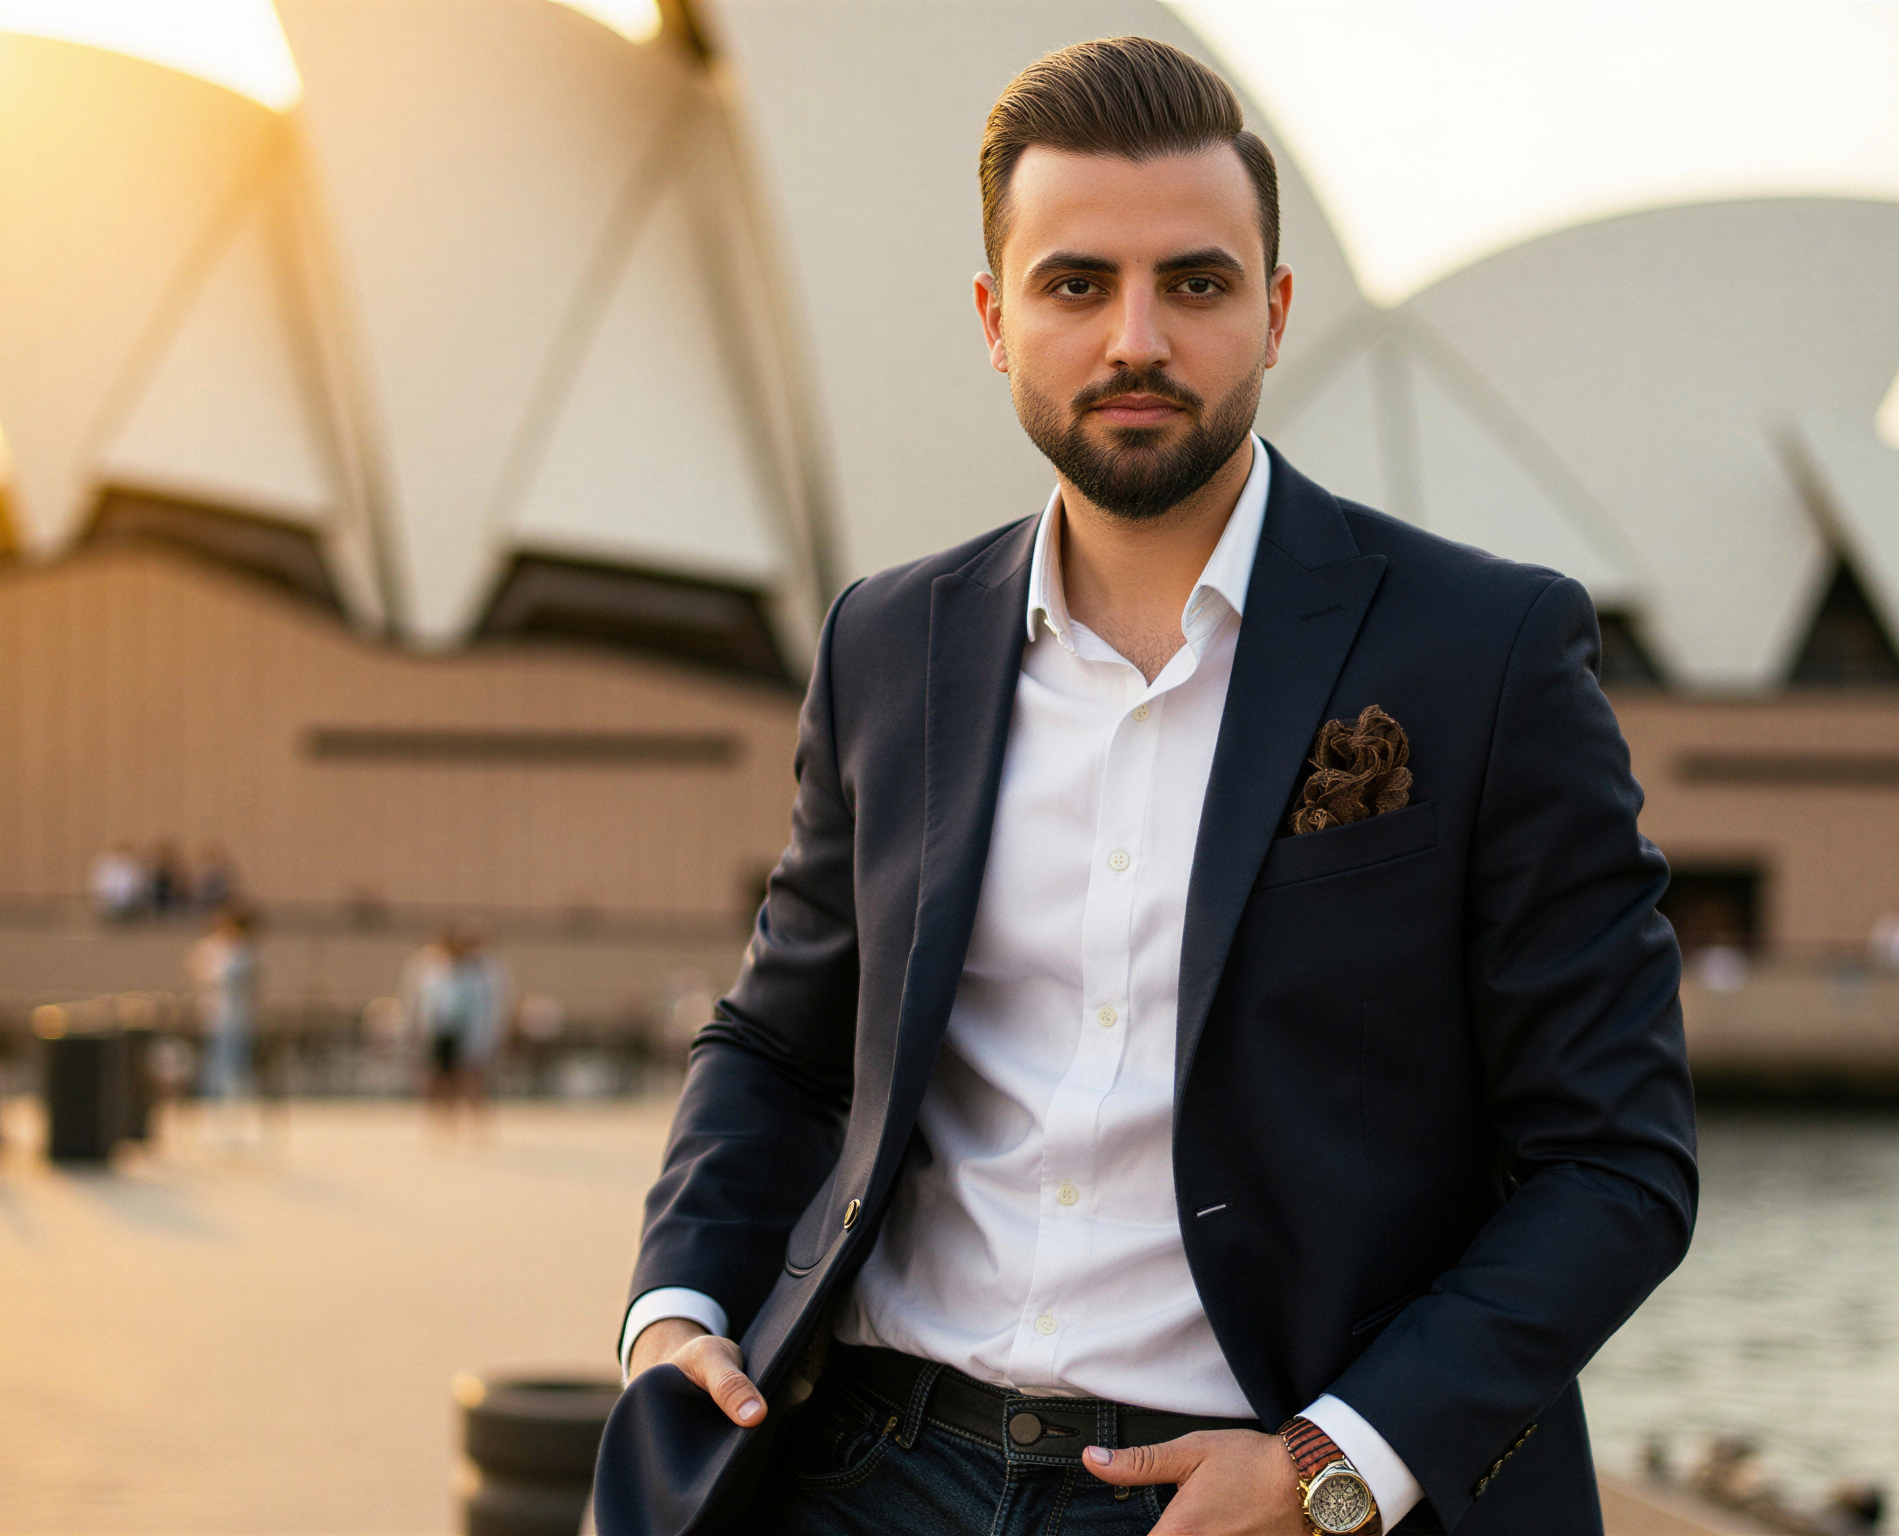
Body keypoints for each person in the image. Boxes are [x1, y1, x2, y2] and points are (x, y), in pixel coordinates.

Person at [596, 38, 1695, 1536]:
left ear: (1275, 311)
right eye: (1073, 285)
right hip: (867, 1465)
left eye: (1194, 283)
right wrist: (676, 1304)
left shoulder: (1484, 651)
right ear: (994, 320)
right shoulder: (887, 642)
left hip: (1243, 1490)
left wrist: (1328, 1470)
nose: (1137, 338)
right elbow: (783, 1043)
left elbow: (1615, 1162)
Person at [402, 924, 509, 1132]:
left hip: (469, 1032)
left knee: (471, 1077)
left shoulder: (479, 972)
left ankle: (477, 1122)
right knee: (439, 1077)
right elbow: (425, 1003)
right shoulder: (433, 968)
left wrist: (487, 1035)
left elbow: (487, 1007)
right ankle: (442, 1122)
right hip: (442, 1031)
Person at [188, 903, 259, 1118]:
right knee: (214, 1061)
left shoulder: (246, 951)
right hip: (215, 1013)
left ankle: (233, 1105)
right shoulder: (210, 948)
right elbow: (202, 975)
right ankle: (210, 1105)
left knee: (236, 1063)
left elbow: (252, 983)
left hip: (239, 1015)